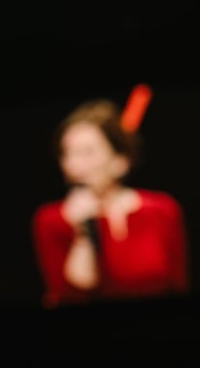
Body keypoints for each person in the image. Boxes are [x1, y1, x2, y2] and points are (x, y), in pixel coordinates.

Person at [31, 97, 190, 308]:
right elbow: (71, 292)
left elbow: (179, 284)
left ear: (120, 161)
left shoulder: (162, 209)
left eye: (87, 152)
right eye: (66, 153)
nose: (73, 164)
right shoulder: (51, 219)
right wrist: (83, 234)